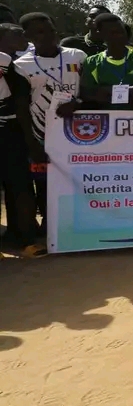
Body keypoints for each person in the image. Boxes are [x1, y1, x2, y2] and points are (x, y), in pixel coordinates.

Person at [13, 14, 86, 221]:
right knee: (45, 183)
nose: (48, 36)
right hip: (41, 133)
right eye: (40, 32)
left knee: (77, 180)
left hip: (78, 132)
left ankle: (75, 224)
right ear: (27, 36)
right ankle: (50, 227)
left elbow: (89, 90)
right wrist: (32, 142)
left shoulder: (77, 56)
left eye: (51, 30)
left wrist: (78, 103)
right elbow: (21, 105)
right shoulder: (21, 65)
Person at [0, 37, 44, 257]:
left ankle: (24, 240)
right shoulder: (6, 60)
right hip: (10, 133)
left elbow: (18, 100)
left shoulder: (7, 61)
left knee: (19, 189)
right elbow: (19, 100)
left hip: (10, 133)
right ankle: (24, 243)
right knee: (20, 188)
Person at [79, 14, 133, 111]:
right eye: (113, 33)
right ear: (100, 34)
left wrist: (107, 91)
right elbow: (88, 93)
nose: (120, 36)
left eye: (122, 31)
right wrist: (131, 91)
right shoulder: (92, 62)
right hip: (105, 121)